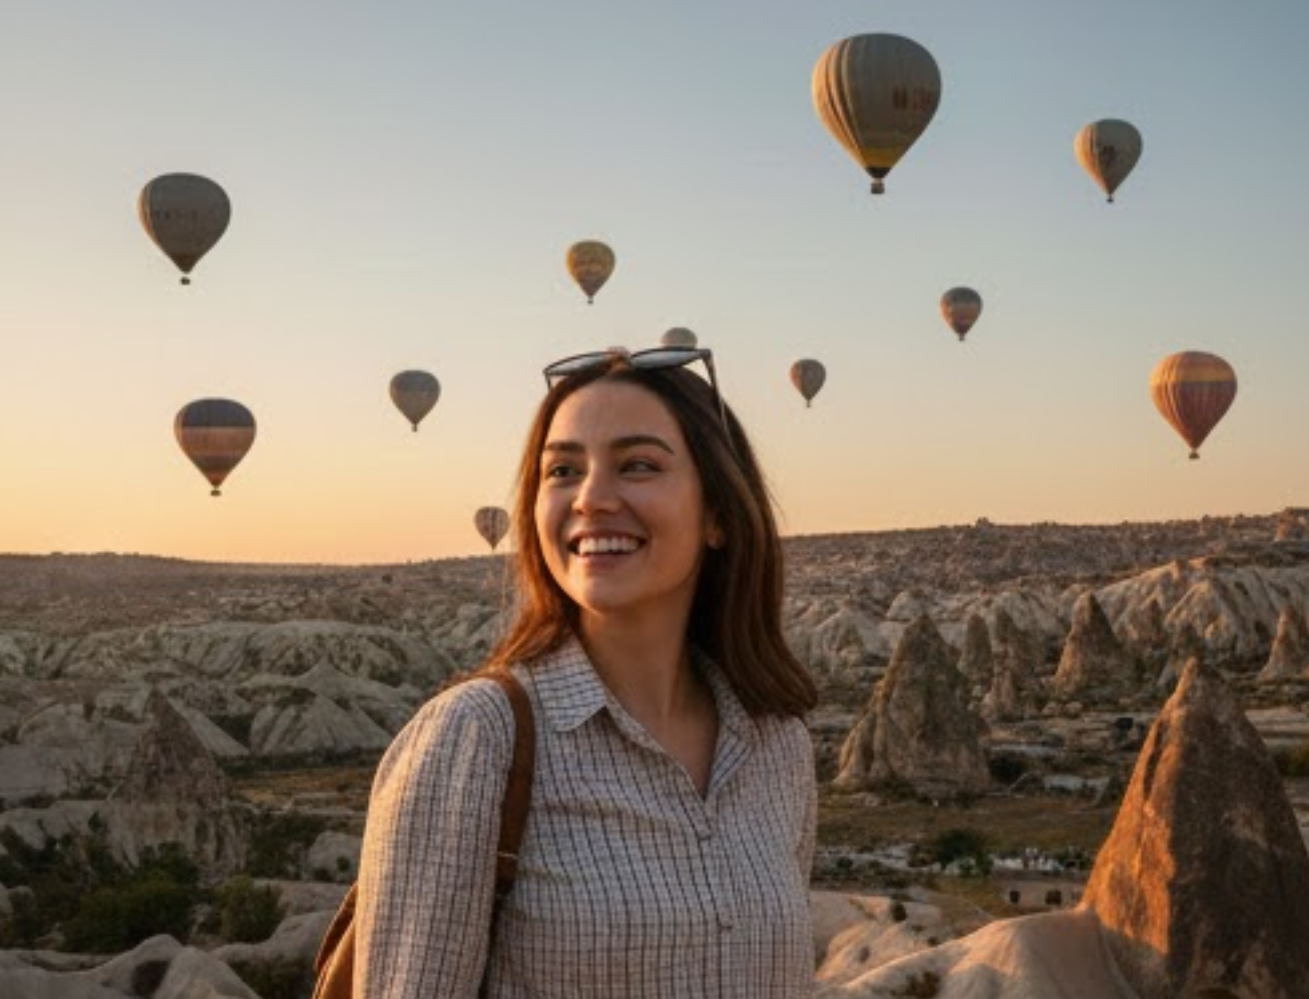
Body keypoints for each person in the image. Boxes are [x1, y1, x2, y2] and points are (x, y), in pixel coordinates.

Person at [355, 345, 819, 998]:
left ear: (716, 513)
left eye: (637, 465)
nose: (592, 498)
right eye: (563, 470)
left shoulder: (776, 746)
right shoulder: (475, 739)